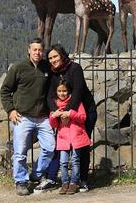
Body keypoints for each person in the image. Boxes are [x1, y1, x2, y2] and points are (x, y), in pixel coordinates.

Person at [36, 44, 97, 193]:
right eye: (50, 58)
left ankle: (82, 180)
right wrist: (56, 112)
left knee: (81, 147)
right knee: (61, 146)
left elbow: (78, 93)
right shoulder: (52, 73)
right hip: (62, 115)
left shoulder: (75, 69)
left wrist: (67, 113)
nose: (53, 60)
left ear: (62, 55)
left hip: (84, 112)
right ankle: (54, 178)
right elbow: (50, 96)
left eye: (55, 56)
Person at [0, 37, 56, 196]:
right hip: (22, 117)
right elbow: (5, 90)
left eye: (40, 50)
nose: (38, 52)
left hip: (43, 116)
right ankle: (21, 181)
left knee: (50, 147)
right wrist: (10, 110)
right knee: (20, 151)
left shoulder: (47, 67)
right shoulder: (18, 68)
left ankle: (36, 174)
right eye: (35, 49)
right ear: (29, 50)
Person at [49, 80, 90, 195]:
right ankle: (65, 182)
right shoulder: (56, 105)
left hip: (76, 137)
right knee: (63, 162)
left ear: (69, 91)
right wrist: (54, 116)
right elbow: (54, 125)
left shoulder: (77, 103)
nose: (62, 93)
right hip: (63, 139)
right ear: (56, 92)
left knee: (75, 161)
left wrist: (71, 114)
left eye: (64, 91)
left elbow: (83, 118)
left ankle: (74, 182)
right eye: (59, 91)